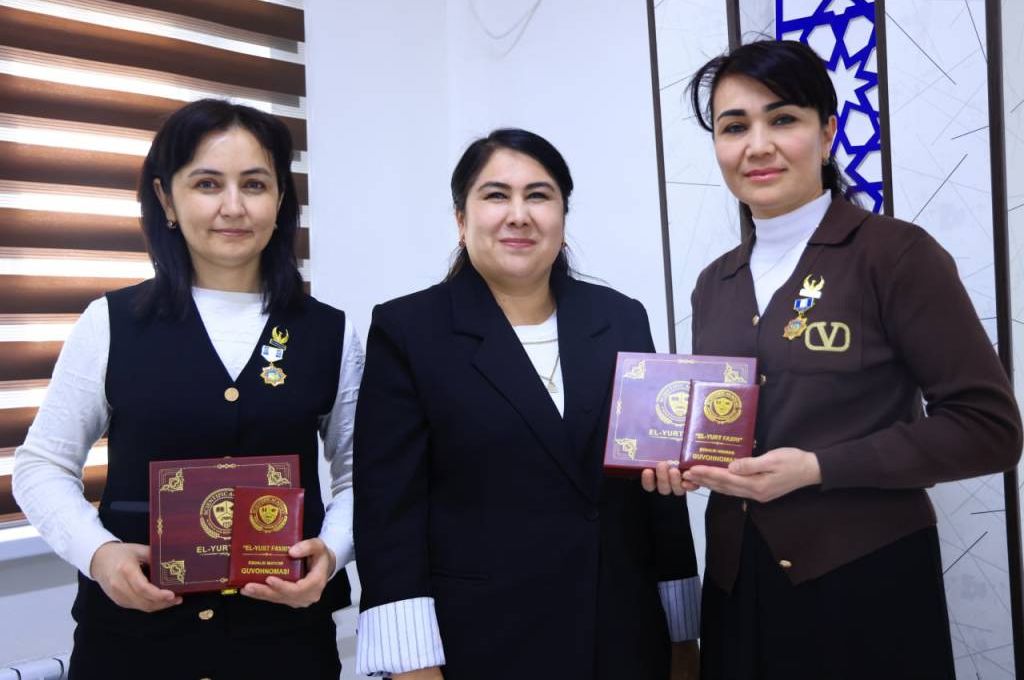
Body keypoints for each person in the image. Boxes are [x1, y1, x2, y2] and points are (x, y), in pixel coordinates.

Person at [642, 39, 1023, 679]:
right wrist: (684, 462)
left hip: (864, 587)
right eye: (734, 127)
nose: (757, 145)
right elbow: (726, 425)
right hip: (736, 589)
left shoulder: (895, 255)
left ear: (826, 133)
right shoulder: (715, 282)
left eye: (782, 119)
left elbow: (989, 429)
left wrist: (817, 468)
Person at [12, 98, 361, 679]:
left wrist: (333, 551)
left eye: (254, 184)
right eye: (207, 183)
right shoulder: (110, 323)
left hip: (284, 645)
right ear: (167, 199)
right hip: (133, 646)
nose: (233, 206)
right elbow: (41, 465)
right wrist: (99, 555)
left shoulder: (331, 332)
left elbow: (360, 473)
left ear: (280, 200)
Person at [353, 129, 700, 679]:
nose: (519, 215)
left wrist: (683, 632)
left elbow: (657, 491)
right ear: (461, 219)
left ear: (562, 217)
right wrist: (411, 664)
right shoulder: (409, 330)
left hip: (623, 636)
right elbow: (388, 511)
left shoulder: (620, 318)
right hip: (484, 641)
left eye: (539, 196)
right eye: (496, 195)